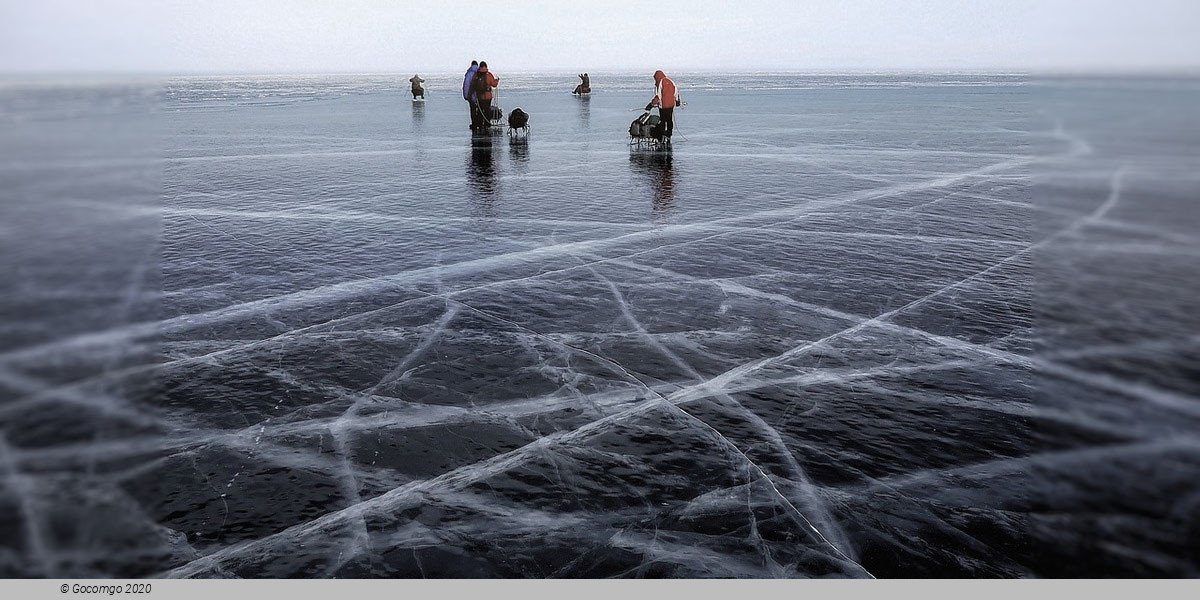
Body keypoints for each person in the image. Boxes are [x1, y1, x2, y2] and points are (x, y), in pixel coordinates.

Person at [644, 70, 681, 139]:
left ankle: (662, 135)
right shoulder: (671, 81)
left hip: (663, 106)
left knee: (663, 121)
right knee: (669, 120)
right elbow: (676, 92)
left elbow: (658, 96)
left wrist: (651, 104)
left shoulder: (661, 83)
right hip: (671, 105)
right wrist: (677, 101)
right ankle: (669, 134)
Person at [463, 60, 483, 130]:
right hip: (480, 95)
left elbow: (466, 85)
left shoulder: (469, 74)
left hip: (471, 96)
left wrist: (466, 96)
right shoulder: (480, 73)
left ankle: (474, 124)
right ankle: (480, 123)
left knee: (473, 110)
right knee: (480, 110)